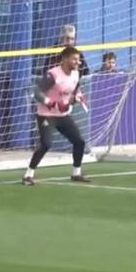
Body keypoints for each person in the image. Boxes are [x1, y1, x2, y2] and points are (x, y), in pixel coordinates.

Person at [23, 46, 90, 186]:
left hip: (63, 115)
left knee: (79, 141)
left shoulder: (76, 74)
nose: (78, 62)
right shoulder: (53, 75)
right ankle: (28, 175)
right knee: (46, 144)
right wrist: (52, 103)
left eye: (78, 59)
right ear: (65, 59)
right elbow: (37, 92)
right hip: (46, 115)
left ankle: (76, 173)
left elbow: (74, 91)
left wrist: (78, 97)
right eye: (74, 59)